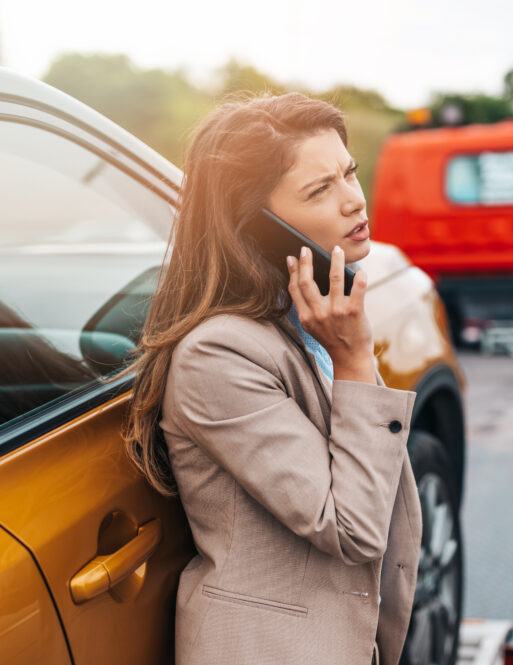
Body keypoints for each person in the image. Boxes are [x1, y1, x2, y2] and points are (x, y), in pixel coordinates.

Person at [119, 92, 422, 665]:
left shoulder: (309, 318)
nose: (354, 199)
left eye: (348, 172)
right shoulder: (218, 356)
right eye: (318, 190)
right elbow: (354, 529)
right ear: (256, 225)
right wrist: (356, 362)